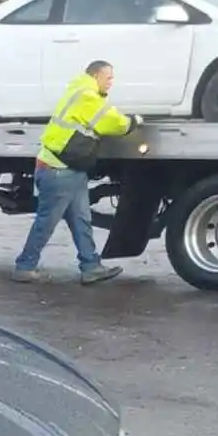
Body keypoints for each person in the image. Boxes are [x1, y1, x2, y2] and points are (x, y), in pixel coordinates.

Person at [13, 60, 139, 284]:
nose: (111, 82)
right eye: (108, 77)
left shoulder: (80, 91)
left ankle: (91, 266)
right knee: (47, 221)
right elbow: (114, 123)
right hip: (59, 169)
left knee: (81, 219)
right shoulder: (87, 96)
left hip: (68, 168)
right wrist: (134, 121)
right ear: (96, 76)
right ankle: (25, 265)